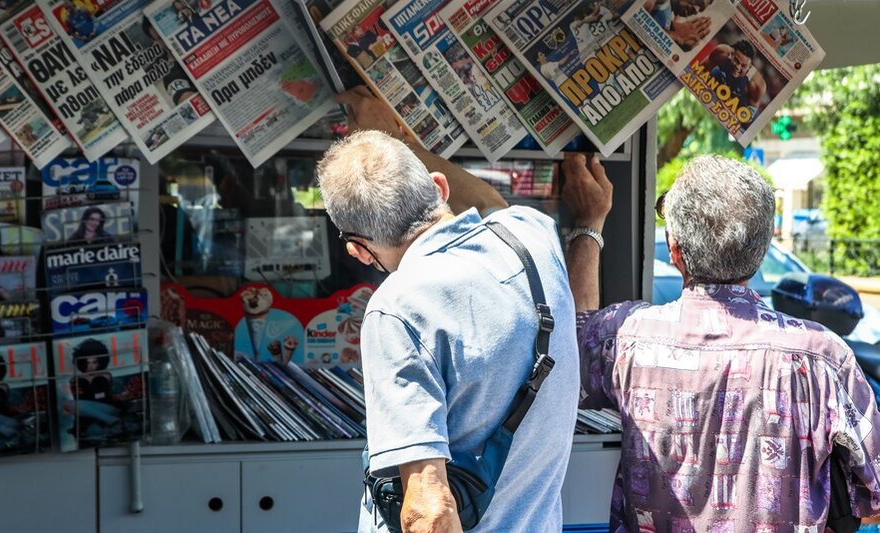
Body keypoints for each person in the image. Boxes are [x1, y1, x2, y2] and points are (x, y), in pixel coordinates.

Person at [564, 153, 880, 530]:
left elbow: (575, 337)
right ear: (761, 250)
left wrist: (589, 223)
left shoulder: (625, 337)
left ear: (675, 251)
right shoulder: (822, 357)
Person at [318, 86, 580, 532]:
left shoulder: (397, 310)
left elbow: (430, 509)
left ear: (359, 251)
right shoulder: (530, 237)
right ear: (437, 187)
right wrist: (405, 143)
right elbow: (487, 205)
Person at [705, 39, 768, 112]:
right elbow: (702, 68)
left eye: (743, 66)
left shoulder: (756, 85)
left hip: (740, 104)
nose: (738, 67)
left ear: (749, 67)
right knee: (714, 72)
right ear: (731, 55)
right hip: (719, 80)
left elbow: (749, 116)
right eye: (736, 60)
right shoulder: (722, 53)